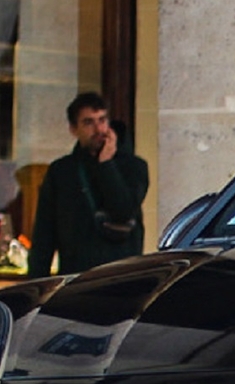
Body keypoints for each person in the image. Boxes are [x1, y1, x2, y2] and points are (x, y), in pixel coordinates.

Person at [26, 91, 150, 277]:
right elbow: (44, 233)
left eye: (102, 120)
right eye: (88, 122)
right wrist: (36, 286)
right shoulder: (62, 171)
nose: (98, 129)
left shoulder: (134, 167)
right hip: (76, 277)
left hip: (122, 279)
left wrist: (106, 164)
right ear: (74, 129)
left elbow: (123, 209)